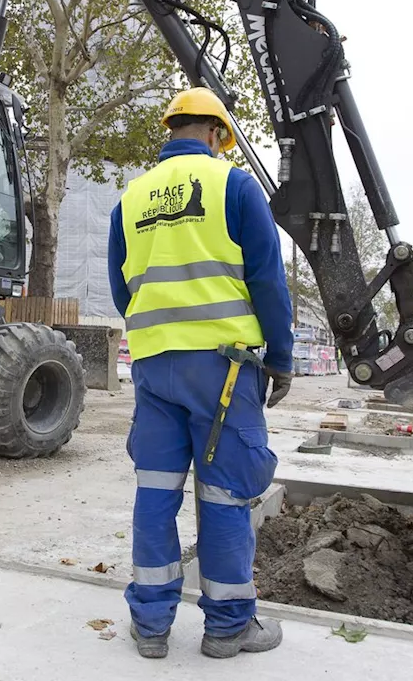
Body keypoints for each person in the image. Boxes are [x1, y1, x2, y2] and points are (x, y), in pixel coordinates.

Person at [107, 87, 295, 660]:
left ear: (172, 131)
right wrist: (281, 359)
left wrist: (160, 334)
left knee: (156, 491)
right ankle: (229, 626)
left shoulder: (130, 198)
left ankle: (151, 624)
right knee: (224, 493)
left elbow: (123, 289)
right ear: (217, 135)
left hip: (154, 367)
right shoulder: (234, 185)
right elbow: (267, 280)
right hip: (224, 372)